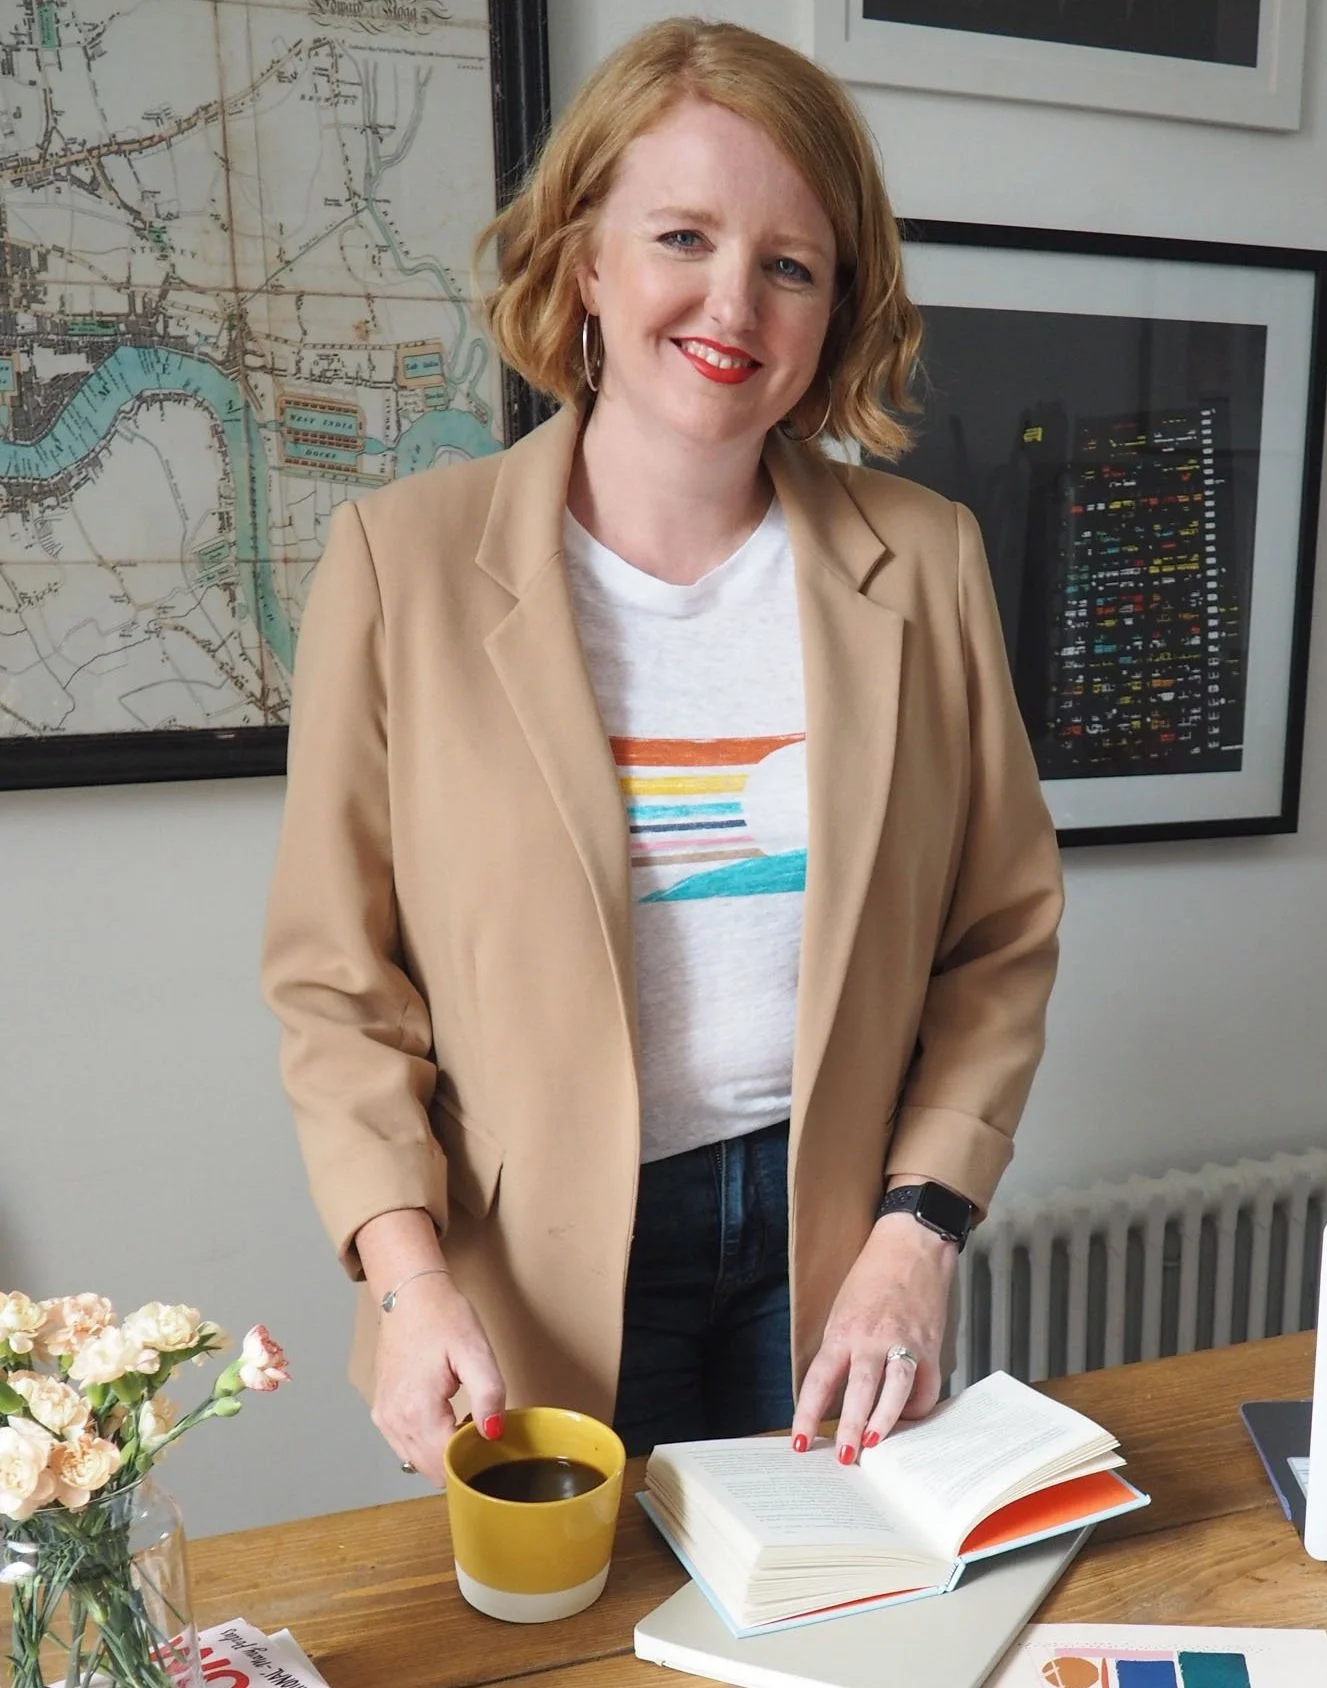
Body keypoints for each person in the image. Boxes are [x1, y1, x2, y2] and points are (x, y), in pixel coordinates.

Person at [260, 16, 1061, 1482]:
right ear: (585, 261)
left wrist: (921, 1230)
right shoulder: (399, 564)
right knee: (584, 1611)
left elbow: (999, 938)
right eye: (682, 236)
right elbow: (337, 983)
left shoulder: (929, 560)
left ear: (836, 306)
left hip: (832, 1256)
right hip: (523, 1277)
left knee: (818, 1602)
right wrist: (407, 1278)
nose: (731, 302)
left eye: (791, 263)